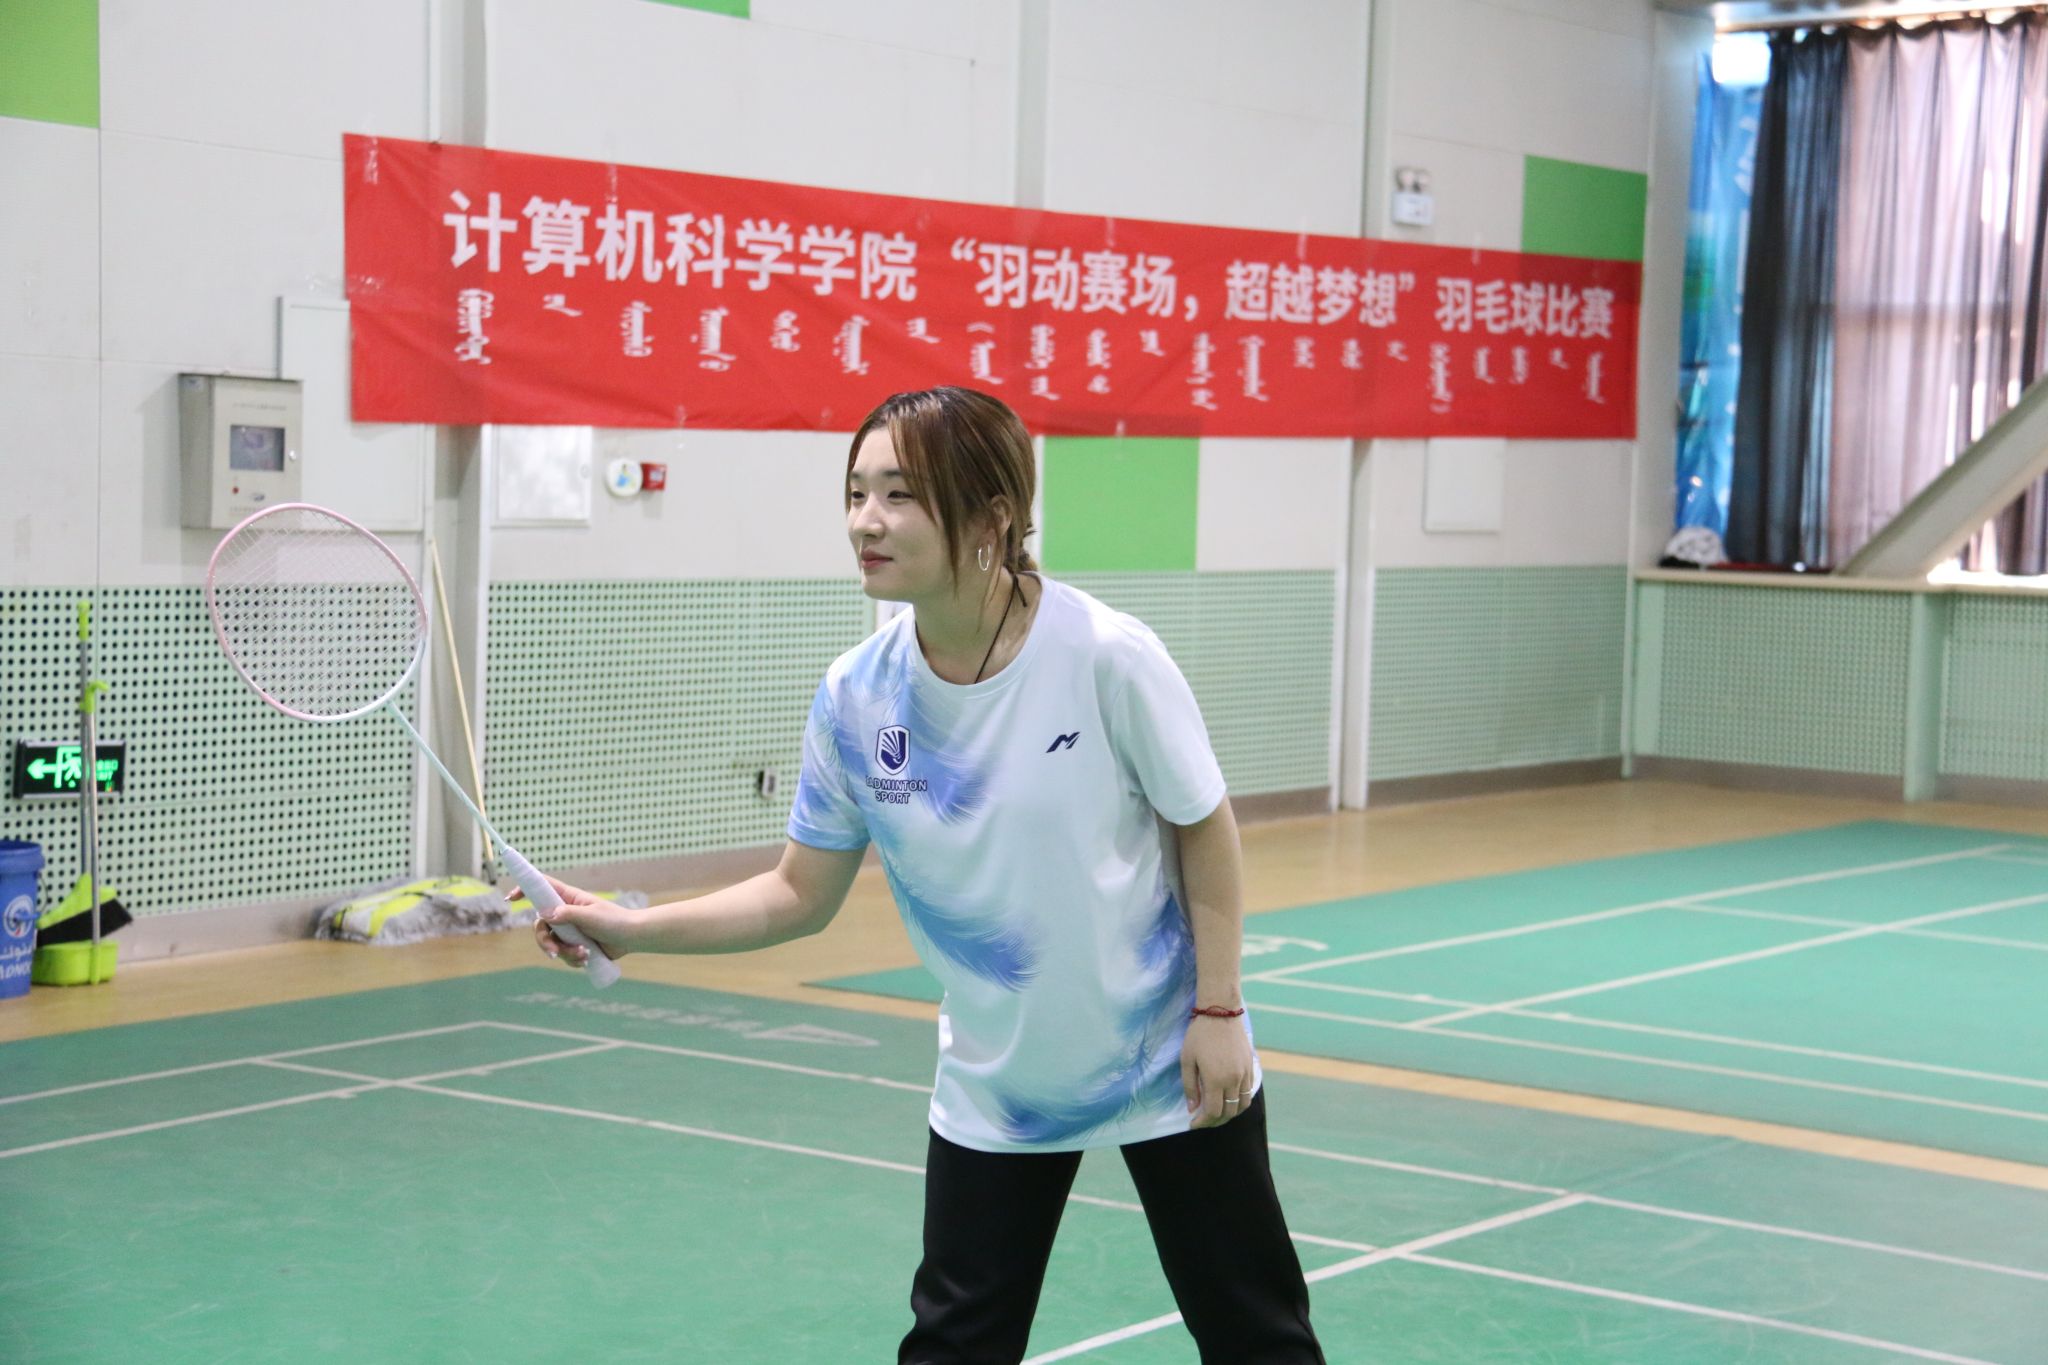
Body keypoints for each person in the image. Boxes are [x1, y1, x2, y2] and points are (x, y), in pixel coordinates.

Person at [532, 386, 1324, 1364]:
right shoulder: (857, 695)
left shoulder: (1105, 657)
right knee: (954, 1347)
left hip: (1166, 1055)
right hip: (1000, 1082)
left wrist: (1219, 1009)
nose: (866, 521)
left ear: (992, 517)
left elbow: (1204, 827)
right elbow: (797, 893)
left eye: (899, 494)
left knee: (1255, 1337)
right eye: (856, 492)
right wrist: (633, 927)